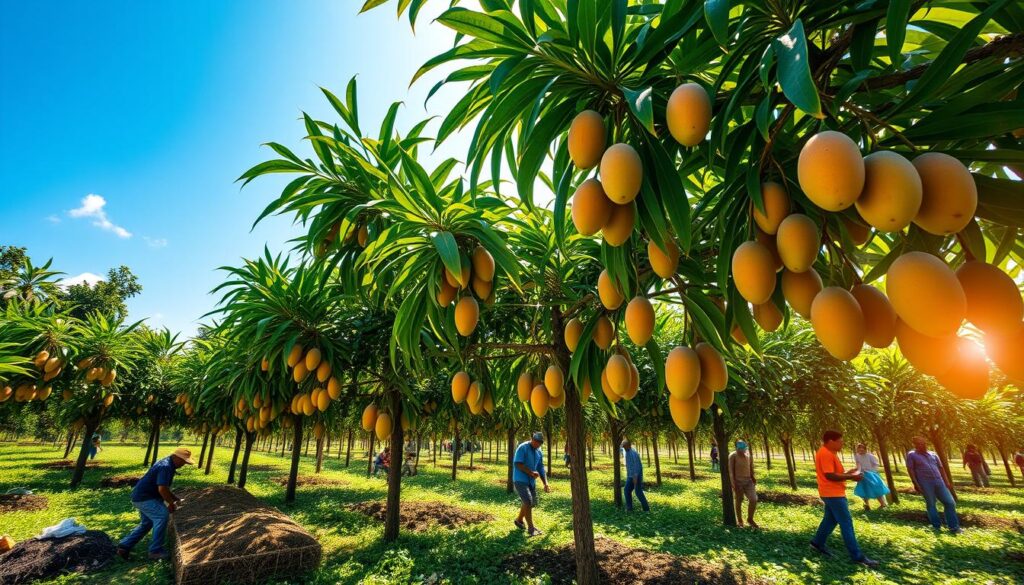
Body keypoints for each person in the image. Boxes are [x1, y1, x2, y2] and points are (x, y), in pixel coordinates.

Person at [809, 430, 879, 568]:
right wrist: (851, 477)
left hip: (831, 492)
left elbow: (834, 473)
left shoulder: (829, 453)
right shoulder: (825, 453)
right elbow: (829, 475)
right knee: (846, 523)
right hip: (833, 494)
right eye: (840, 441)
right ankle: (858, 557)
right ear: (831, 441)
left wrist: (848, 473)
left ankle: (816, 543)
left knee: (830, 520)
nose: (842, 443)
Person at [116, 448, 194, 561]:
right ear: (176, 457)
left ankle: (124, 546)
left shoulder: (167, 463)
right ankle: (155, 551)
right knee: (162, 515)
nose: (183, 464)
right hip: (145, 498)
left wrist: (174, 498)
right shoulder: (166, 467)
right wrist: (170, 503)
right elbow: (162, 489)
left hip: (142, 496)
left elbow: (164, 487)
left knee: (147, 523)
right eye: (183, 461)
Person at [906, 436, 961, 534]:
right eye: (918, 443)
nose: (921, 445)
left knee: (950, 502)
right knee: (931, 504)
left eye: (923, 443)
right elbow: (911, 470)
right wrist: (915, 483)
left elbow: (941, 468)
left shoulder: (933, 454)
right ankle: (936, 526)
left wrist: (947, 481)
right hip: (925, 483)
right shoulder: (912, 455)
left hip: (939, 481)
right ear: (915, 445)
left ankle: (954, 527)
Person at [512, 431, 549, 536]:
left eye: (540, 442)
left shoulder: (539, 451)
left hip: (531, 481)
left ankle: (519, 520)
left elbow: (541, 468)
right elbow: (518, 463)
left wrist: (545, 483)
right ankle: (531, 528)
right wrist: (531, 472)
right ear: (532, 439)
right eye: (536, 441)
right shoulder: (522, 447)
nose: (537, 444)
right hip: (520, 479)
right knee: (528, 501)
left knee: (530, 502)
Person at [728, 440, 757, 528]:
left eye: (744, 449)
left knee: (754, 499)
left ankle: (750, 519)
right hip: (738, 482)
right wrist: (733, 483)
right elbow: (731, 471)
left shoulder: (748, 455)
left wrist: (753, 476)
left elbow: (750, 467)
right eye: (741, 449)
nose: (743, 451)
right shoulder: (733, 456)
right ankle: (740, 520)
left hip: (748, 481)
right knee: (739, 500)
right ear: (737, 448)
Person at [853, 443, 890, 511]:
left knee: (876, 489)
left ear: (865, 449)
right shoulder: (857, 456)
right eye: (859, 448)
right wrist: (858, 472)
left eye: (862, 448)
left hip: (872, 474)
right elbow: (858, 465)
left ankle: (883, 504)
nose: (861, 450)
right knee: (864, 489)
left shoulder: (870, 456)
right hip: (862, 475)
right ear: (857, 450)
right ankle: (866, 505)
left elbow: (876, 464)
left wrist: (872, 472)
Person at [621, 439, 650, 513]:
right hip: (630, 476)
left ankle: (646, 509)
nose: (623, 447)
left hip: (636, 475)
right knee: (627, 490)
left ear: (629, 446)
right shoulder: (626, 451)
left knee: (638, 492)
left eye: (624, 446)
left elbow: (636, 466)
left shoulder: (633, 453)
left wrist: (635, 477)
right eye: (623, 446)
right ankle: (629, 508)